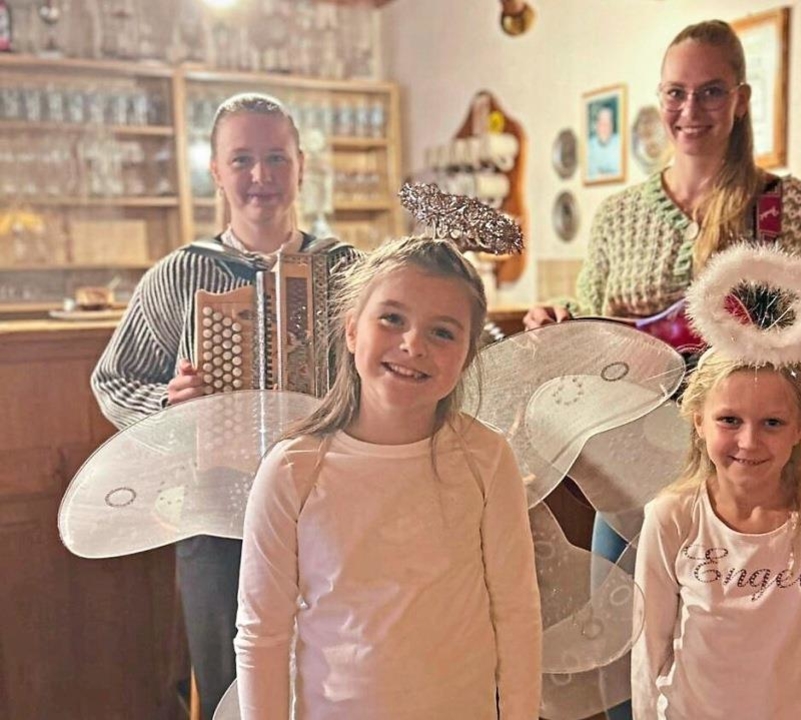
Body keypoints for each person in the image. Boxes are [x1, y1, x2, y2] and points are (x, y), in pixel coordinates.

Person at [523, 20, 801, 719]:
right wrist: (556, 330)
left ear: (742, 99)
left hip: (757, 484)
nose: (691, 112)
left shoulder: (784, 212)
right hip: (629, 481)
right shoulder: (617, 218)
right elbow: (597, 342)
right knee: (630, 667)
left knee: (762, 664)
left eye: (711, 92)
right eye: (676, 93)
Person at [234, 236, 542, 719]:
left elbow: (517, 614)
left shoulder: (485, 459)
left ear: (467, 354)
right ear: (353, 329)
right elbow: (262, 633)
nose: (413, 344)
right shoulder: (293, 469)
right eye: (392, 319)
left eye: (443, 332)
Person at [91, 92, 318, 719]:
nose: (261, 176)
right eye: (241, 159)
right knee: (228, 683)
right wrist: (169, 403)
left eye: (276, 157)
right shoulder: (179, 274)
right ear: (216, 171)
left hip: (328, 510)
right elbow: (113, 381)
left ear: (301, 163)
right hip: (217, 520)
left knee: (332, 674)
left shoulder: (346, 268)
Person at [632, 350, 801, 718]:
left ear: (800, 427)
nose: (749, 441)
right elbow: (648, 649)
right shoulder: (671, 518)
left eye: (772, 423)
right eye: (729, 420)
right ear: (698, 421)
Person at [587, 104, 623, 180]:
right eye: (601, 122)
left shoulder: (620, 143)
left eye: (608, 122)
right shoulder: (589, 146)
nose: (604, 126)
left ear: (612, 125)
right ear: (596, 125)